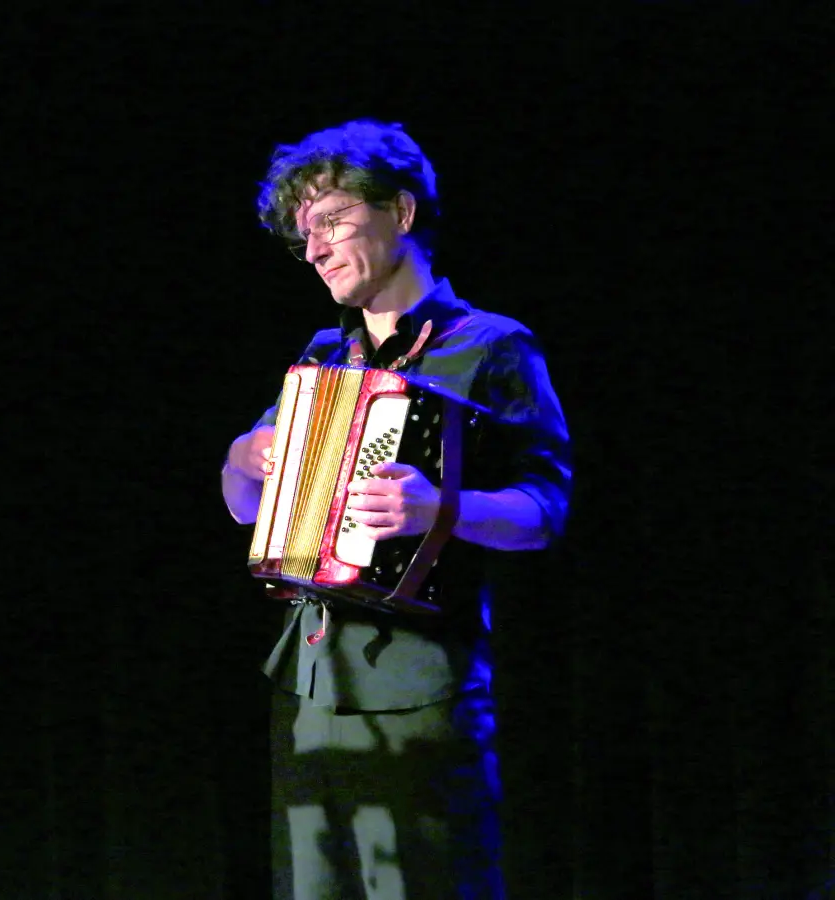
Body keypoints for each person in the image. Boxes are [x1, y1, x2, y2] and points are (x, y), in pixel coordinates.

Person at [222, 120, 571, 899]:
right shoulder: (319, 357)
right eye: (302, 235)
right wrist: (243, 459)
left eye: (332, 220)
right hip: (311, 687)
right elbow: (242, 505)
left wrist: (440, 509)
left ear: (401, 213)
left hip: (423, 688)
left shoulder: (491, 347)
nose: (313, 249)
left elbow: (544, 510)